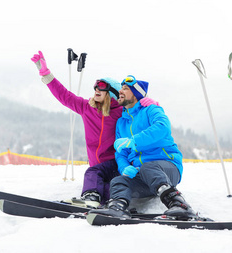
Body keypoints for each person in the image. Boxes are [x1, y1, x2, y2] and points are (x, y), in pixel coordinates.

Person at [31, 52, 158, 207]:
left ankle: (104, 200)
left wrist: (151, 103)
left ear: (111, 93)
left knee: (107, 180)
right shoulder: (87, 108)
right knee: (97, 178)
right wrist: (46, 74)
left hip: (117, 163)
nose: (96, 89)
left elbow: (138, 113)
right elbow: (64, 95)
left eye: (102, 86)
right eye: (96, 85)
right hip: (97, 166)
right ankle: (95, 198)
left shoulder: (120, 112)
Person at [89, 75, 197, 219]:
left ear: (136, 93)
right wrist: (124, 168)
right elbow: (121, 152)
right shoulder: (122, 122)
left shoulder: (151, 110)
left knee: (149, 167)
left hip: (167, 168)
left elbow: (162, 127)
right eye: (121, 88)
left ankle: (179, 204)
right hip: (145, 176)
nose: (120, 91)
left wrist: (134, 141)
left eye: (125, 88)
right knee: (118, 180)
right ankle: (117, 207)